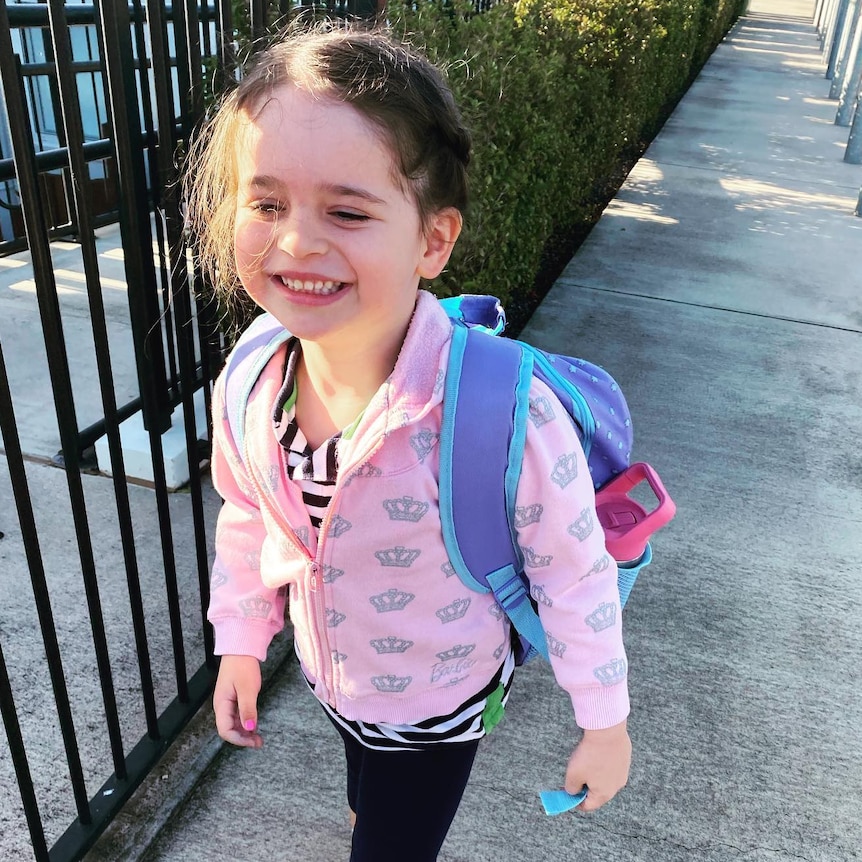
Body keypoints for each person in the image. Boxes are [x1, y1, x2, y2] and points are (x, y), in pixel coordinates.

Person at [185, 24, 631, 862]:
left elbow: (574, 573)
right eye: (268, 202)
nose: (297, 242)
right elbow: (250, 516)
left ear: (433, 239)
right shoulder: (252, 377)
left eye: (347, 211)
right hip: (336, 681)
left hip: (436, 710)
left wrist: (605, 723)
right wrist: (242, 640)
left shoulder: (504, 414)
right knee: (365, 788)